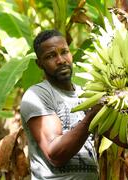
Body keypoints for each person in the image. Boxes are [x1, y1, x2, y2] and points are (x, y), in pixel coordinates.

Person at [20, 29, 101, 179]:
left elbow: (122, 141)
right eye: (51, 56)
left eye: (64, 52)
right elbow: (55, 154)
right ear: (40, 64)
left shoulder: (87, 95)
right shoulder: (36, 96)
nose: (61, 60)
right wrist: (91, 116)